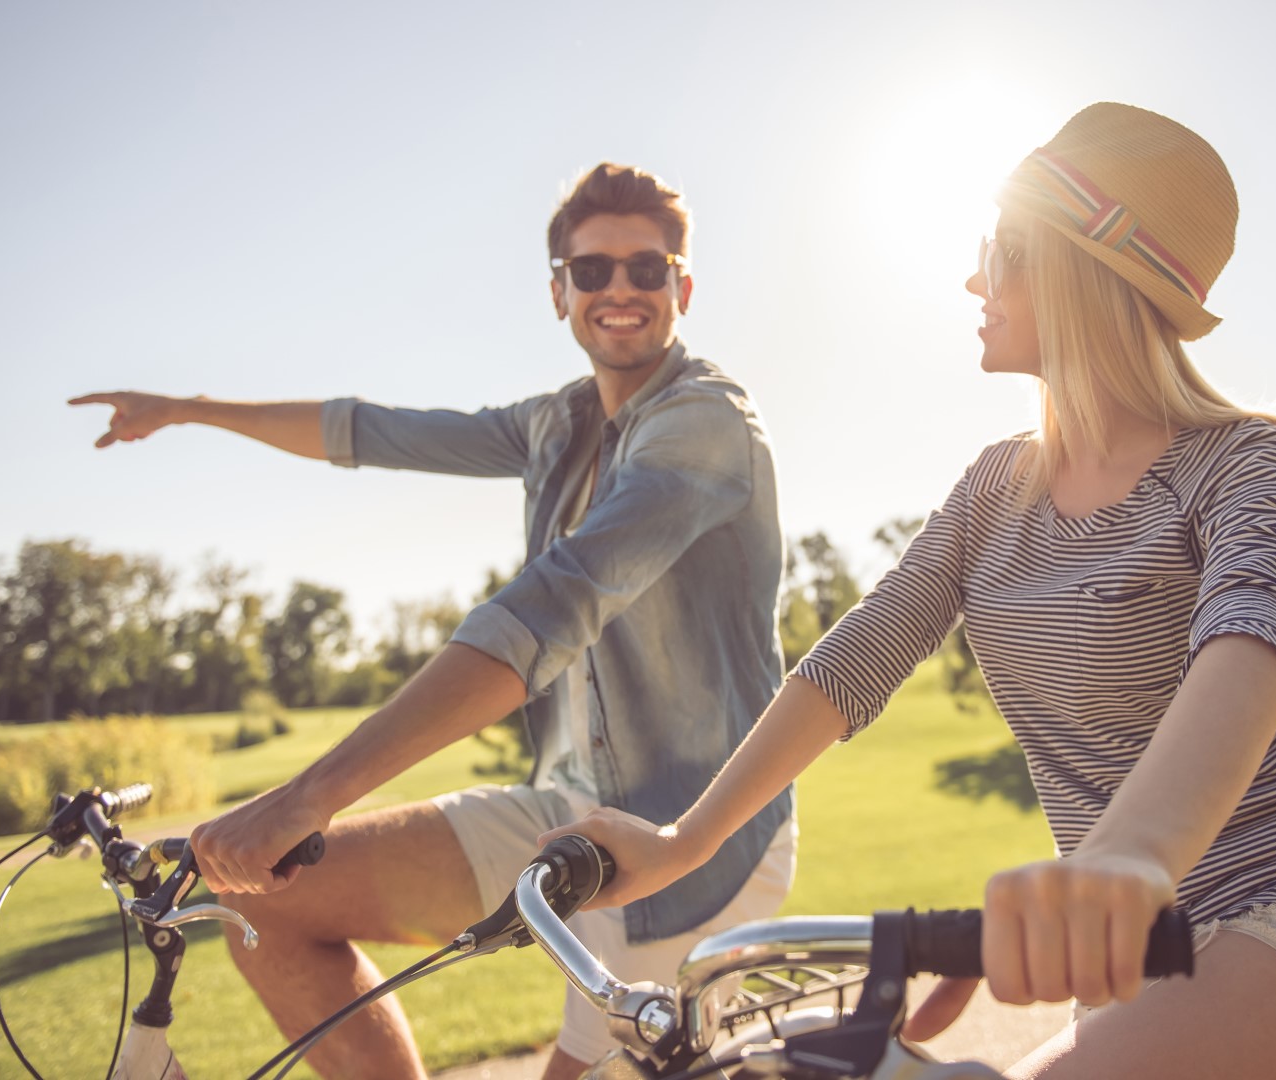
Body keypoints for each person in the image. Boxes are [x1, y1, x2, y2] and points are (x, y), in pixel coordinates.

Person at [547, 107, 1276, 1079]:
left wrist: (1124, 863)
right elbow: (860, 655)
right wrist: (681, 842)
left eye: (999, 249)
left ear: (1082, 268)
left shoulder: (1248, 463)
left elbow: (1248, 651)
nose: (971, 278)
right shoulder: (995, 488)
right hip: (1125, 946)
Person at [69, 163, 796, 1080]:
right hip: (564, 807)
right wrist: (188, 411)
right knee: (266, 907)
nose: (619, 289)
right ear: (559, 292)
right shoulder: (554, 425)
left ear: (681, 288)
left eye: (646, 270)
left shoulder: (705, 421)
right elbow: (373, 431)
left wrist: (308, 796)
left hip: (689, 842)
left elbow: (551, 606)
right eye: (592, 270)